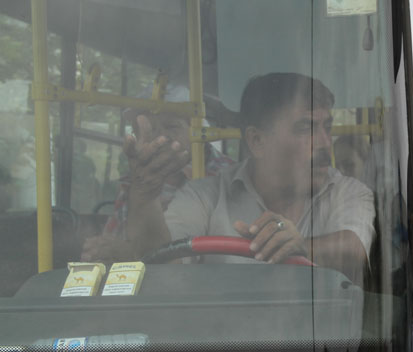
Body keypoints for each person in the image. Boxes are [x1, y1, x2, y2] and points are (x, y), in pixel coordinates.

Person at [115, 72, 375, 284]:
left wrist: (301, 246)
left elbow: (356, 249)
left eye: (327, 127)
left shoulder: (348, 192)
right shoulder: (205, 197)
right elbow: (162, 260)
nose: (324, 143)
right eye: (306, 128)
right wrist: (145, 193)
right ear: (257, 141)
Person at [81, 83, 234, 263]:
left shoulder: (230, 178)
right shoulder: (136, 182)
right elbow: (117, 239)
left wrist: (131, 254)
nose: (160, 138)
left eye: (171, 127)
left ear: (197, 130)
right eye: (149, 130)